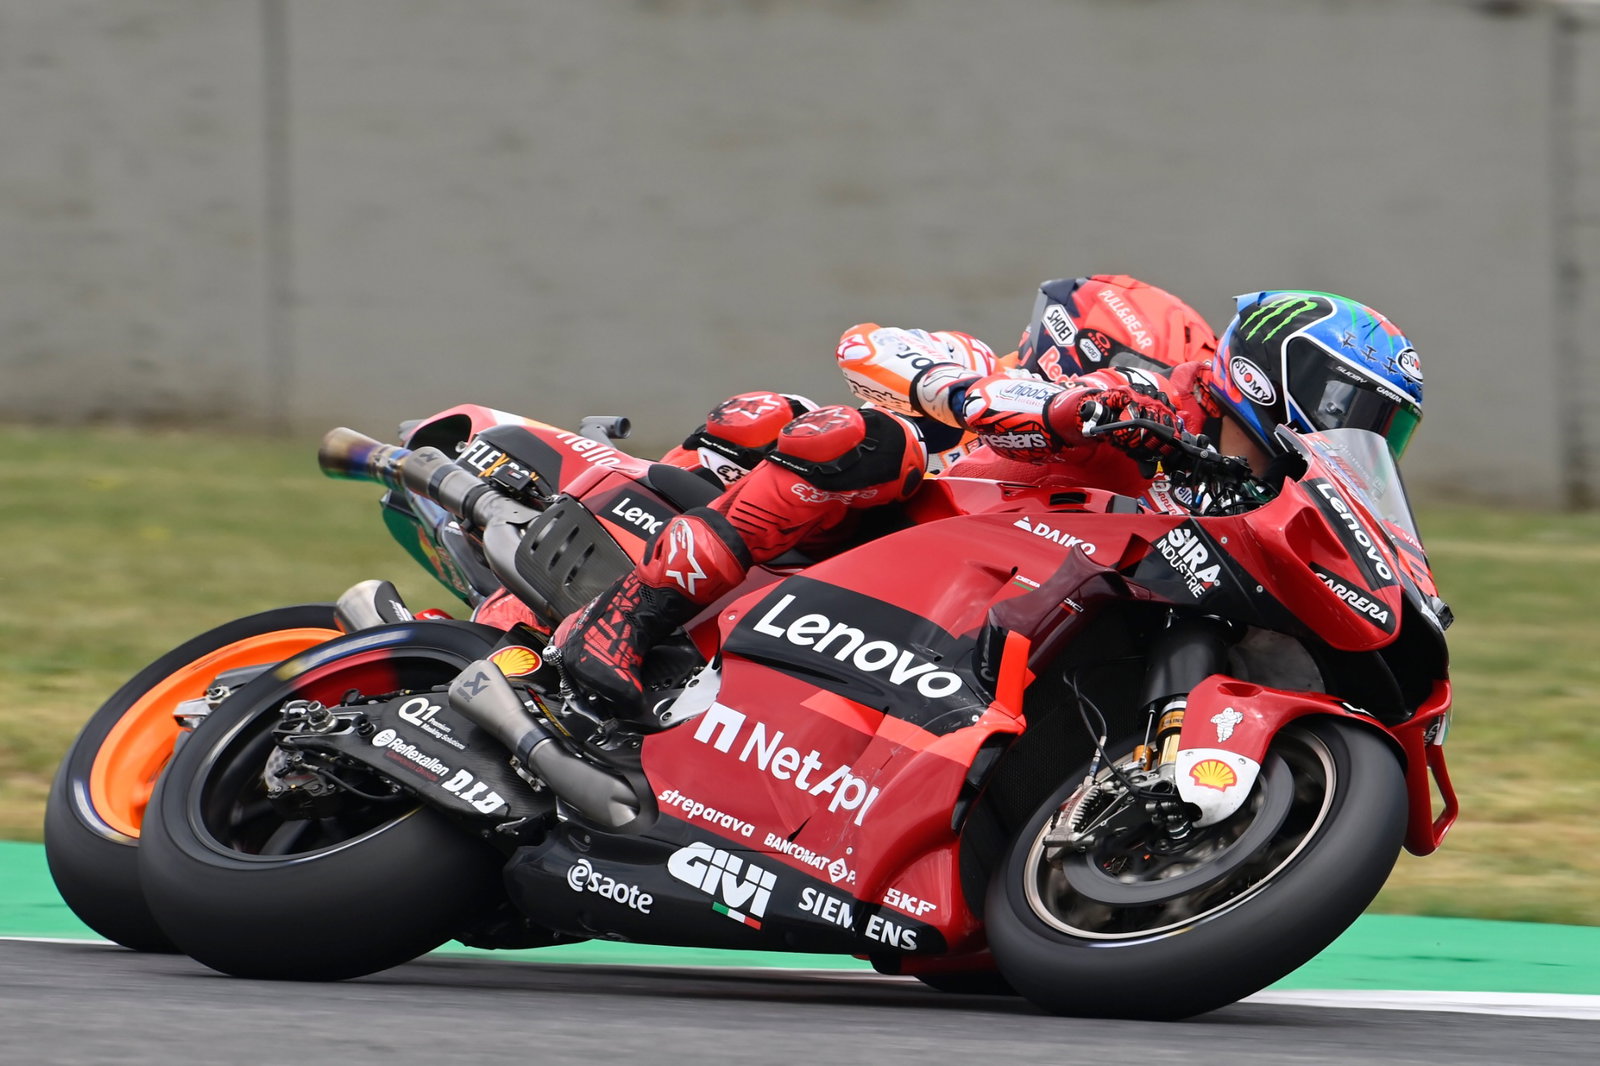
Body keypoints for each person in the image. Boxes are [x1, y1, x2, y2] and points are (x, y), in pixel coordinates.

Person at [548, 275, 1225, 716]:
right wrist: (990, 399)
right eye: (1139, 377)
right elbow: (863, 345)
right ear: (1080, 343)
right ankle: (623, 615)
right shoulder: (975, 365)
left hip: (933, 610)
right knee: (844, 433)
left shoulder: (1137, 481)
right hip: (846, 529)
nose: (1145, 400)